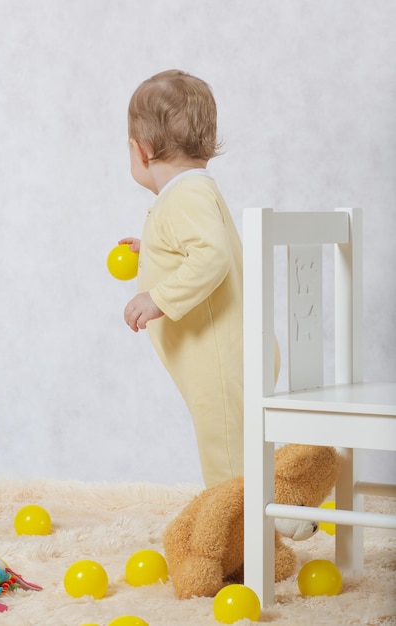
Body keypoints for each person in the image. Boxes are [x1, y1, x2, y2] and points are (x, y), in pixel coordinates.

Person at [121, 69, 277, 488]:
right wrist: (153, 248)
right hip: (229, 351)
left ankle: (234, 540)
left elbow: (211, 256)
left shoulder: (185, 196)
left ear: (142, 150)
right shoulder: (195, 191)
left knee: (223, 453)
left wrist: (159, 297)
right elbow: (197, 247)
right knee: (239, 446)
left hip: (219, 357)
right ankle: (279, 515)